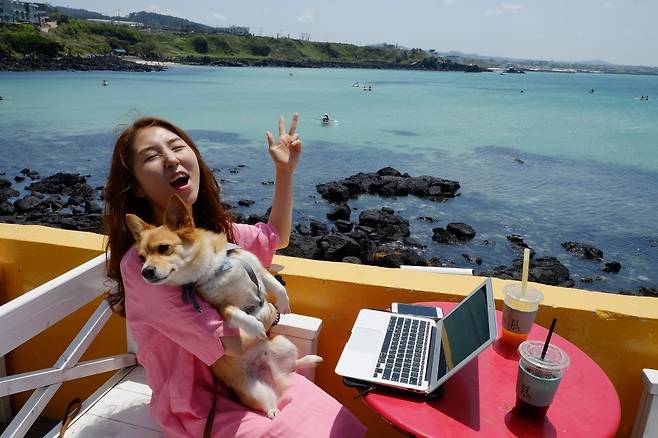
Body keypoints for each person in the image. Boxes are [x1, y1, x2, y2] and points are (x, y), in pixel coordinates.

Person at [103, 114, 366, 437]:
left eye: (176, 147)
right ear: (136, 187)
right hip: (198, 403)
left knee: (340, 425)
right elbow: (229, 344)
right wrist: (268, 313)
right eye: (152, 157)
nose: (171, 159)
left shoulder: (214, 233)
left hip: (258, 373)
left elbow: (275, 237)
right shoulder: (146, 267)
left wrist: (284, 172)